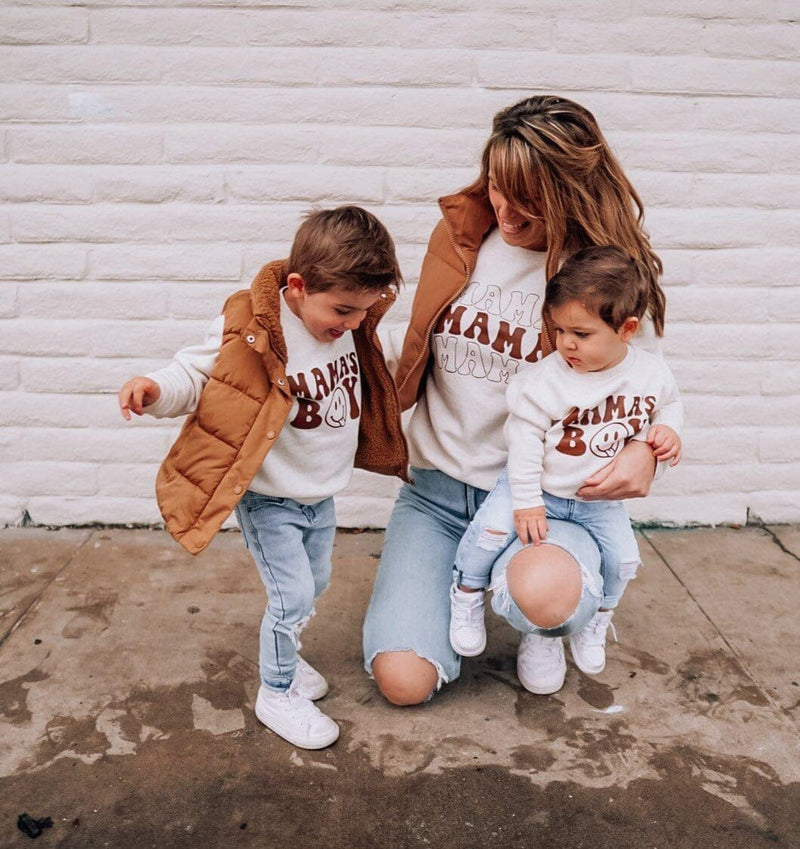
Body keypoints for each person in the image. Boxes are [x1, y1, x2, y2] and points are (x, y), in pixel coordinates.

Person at [363, 94, 671, 704]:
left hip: (544, 499)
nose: (506, 209)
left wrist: (644, 450)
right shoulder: (461, 239)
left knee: (546, 595)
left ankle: (541, 622)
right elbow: (420, 339)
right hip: (437, 494)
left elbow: (641, 382)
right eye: (499, 186)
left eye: (528, 196)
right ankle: (466, 589)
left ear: (567, 192)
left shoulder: (604, 278)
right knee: (403, 681)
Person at [118, 206, 408, 749]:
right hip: (270, 497)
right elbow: (196, 372)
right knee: (292, 597)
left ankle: (288, 661)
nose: (349, 324)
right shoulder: (254, 327)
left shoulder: (348, 322)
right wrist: (155, 390)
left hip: (320, 493)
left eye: (361, 312)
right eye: (342, 311)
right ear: (297, 287)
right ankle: (275, 691)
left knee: (315, 585)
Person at [448, 245, 683, 682]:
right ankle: (465, 593)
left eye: (582, 333)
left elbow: (667, 406)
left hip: (597, 502)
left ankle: (597, 619)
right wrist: (526, 502)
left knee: (624, 560)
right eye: (559, 330)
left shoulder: (650, 373)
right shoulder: (544, 381)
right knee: (490, 531)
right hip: (538, 490)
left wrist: (666, 433)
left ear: (627, 329)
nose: (566, 344)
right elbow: (522, 442)